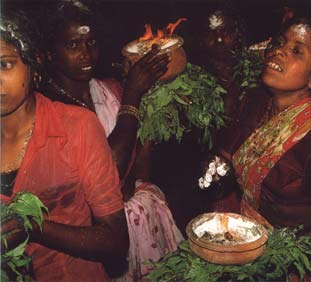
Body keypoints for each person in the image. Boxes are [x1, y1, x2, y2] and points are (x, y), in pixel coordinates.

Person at [40, 1, 184, 280]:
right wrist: (132, 97)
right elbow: (111, 173)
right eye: (73, 45)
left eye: (91, 42)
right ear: (47, 54)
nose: (86, 55)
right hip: (96, 238)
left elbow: (140, 166)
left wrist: (152, 103)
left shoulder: (110, 88)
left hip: (140, 221)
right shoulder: (50, 110)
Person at [201, 17, 311, 280]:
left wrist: (271, 257)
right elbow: (228, 153)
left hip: (299, 260)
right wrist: (216, 170)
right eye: (280, 43)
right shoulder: (255, 102)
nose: (278, 50)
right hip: (251, 234)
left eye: (296, 50)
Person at [0, 8, 129, 282]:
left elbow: (116, 240)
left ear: (33, 63)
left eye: (4, 64)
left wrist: (32, 227)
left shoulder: (76, 127)